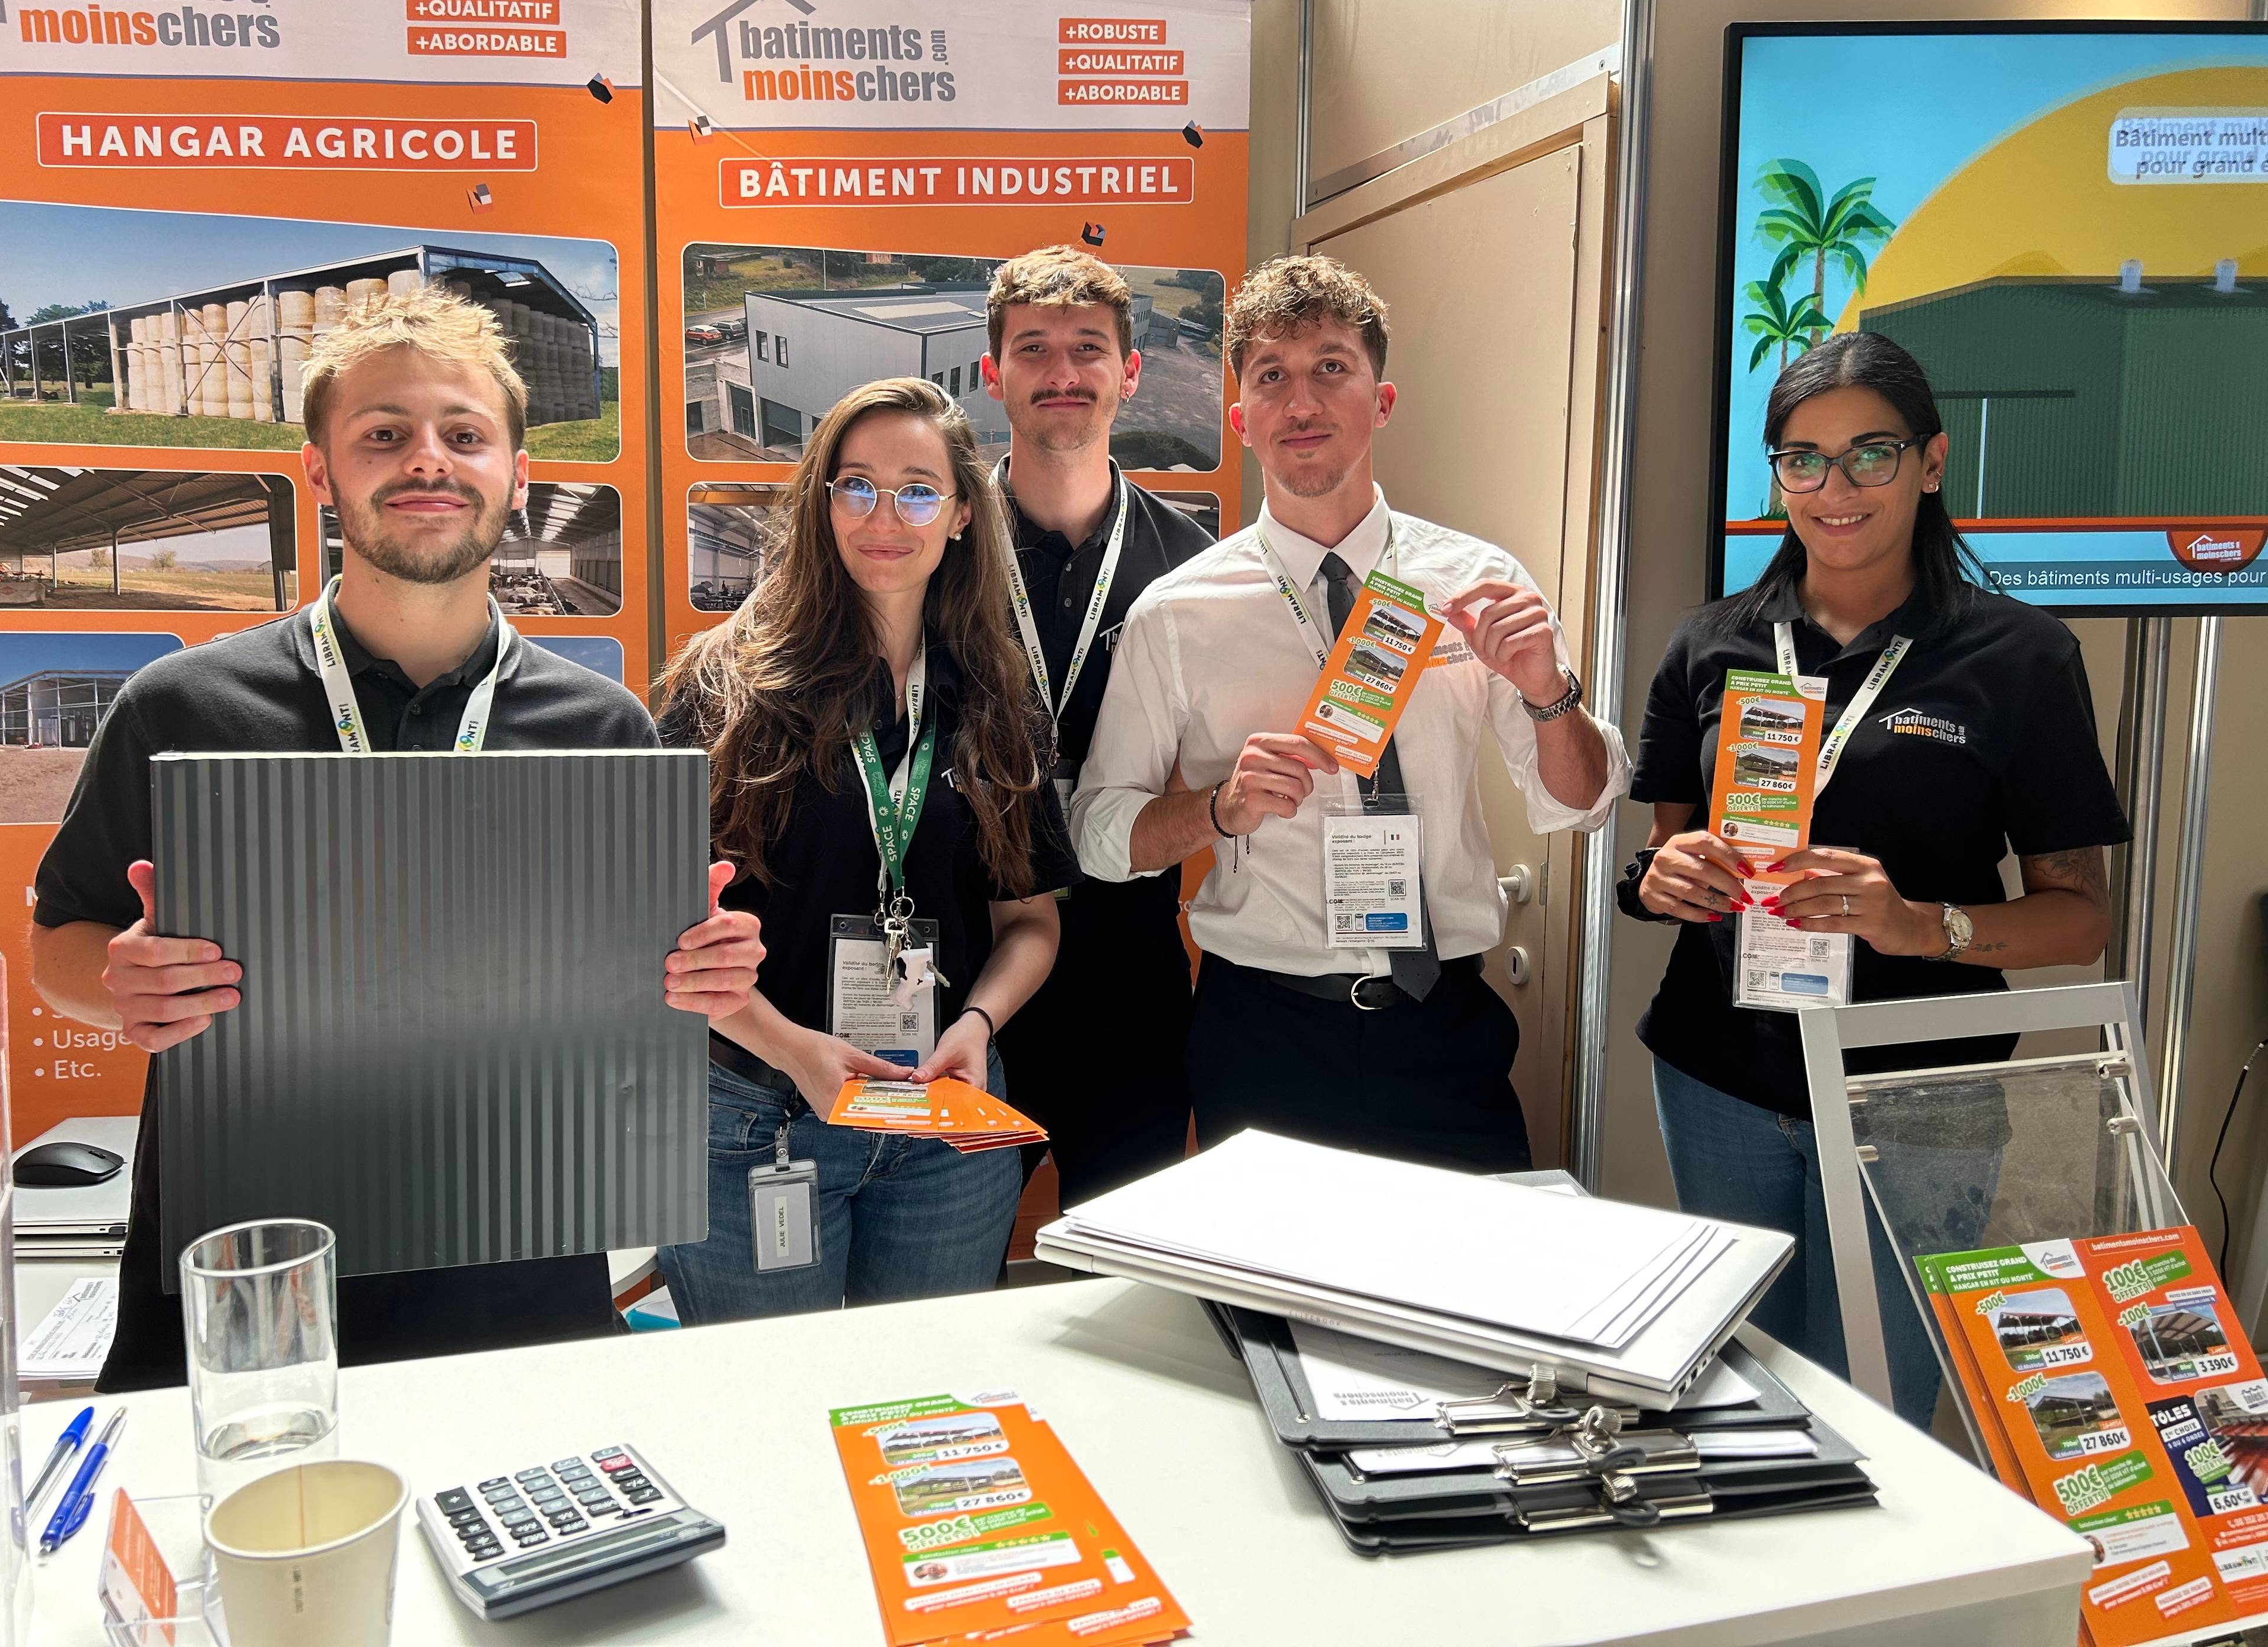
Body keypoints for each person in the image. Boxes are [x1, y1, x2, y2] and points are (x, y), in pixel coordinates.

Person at [28, 292, 766, 1392]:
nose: (428, 459)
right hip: (247, 1301)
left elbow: (645, 991)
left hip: (522, 1290)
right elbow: (58, 947)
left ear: (517, 474)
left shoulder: (601, 728)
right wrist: (122, 982)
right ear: (320, 471)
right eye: (384, 434)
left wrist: (700, 976)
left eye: (464, 434)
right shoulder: (181, 707)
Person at [1625, 329, 2128, 1428]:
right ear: (1777, 478)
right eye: (1803, 459)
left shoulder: (2021, 659)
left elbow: (2080, 919)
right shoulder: (1711, 644)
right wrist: (1665, 876)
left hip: (1918, 1098)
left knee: (1875, 1413)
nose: (1835, 488)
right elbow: (1665, 853)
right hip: (1720, 1080)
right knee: (1735, 1394)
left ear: (1932, 462)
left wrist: (1918, 924)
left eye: (1871, 453)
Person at [1073, 255, 1627, 1172]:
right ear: (1241, 417)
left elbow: (1581, 805)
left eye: (1331, 367)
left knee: (1465, 1269)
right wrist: (1219, 810)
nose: (1302, 402)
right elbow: (1099, 835)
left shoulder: (1477, 584)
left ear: (1382, 400)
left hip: (1444, 1034)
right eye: (1271, 376)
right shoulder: (1176, 613)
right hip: (1265, 1039)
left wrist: (1549, 695)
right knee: (1262, 1275)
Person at [656, 376, 1077, 1321]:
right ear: (823, 502)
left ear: (962, 515)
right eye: (857, 486)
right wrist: (790, 1048)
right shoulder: (727, 687)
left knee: (925, 1390)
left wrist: (978, 1025)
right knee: (771, 1395)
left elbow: (1030, 923)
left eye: (919, 491)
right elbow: (653, 932)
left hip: (944, 1120)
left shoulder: (997, 699)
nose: (886, 517)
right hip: (756, 1114)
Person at [979, 247, 1215, 1210]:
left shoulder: (1192, 564)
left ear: (1131, 372)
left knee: (1123, 1271)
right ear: (993, 373)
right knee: (944, 1266)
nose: (1063, 372)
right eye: (1033, 348)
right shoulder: (938, 543)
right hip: (963, 977)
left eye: (1088, 347)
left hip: (1131, 977)